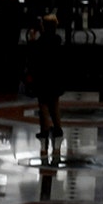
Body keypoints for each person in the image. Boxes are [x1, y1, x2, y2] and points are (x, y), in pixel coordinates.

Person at [23, 15, 67, 144]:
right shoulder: (57, 41)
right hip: (55, 77)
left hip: (42, 77)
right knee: (54, 103)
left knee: (43, 104)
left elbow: (32, 56)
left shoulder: (40, 43)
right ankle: (58, 128)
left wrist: (31, 40)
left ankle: (45, 129)